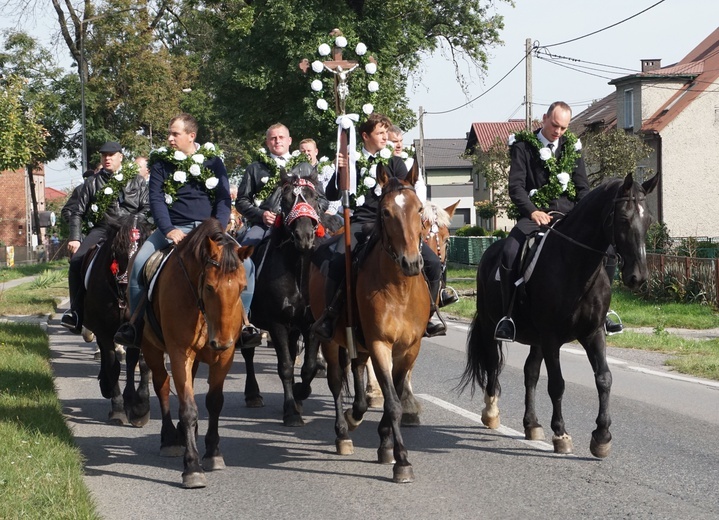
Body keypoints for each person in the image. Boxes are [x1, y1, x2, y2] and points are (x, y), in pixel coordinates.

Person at [113, 113, 259, 349]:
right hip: (174, 229)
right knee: (138, 264)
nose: (170, 138)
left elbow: (223, 199)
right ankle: (135, 325)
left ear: (191, 136)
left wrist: (218, 229)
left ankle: (244, 324)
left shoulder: (214, 162)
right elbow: (156, 199)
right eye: (169, 133)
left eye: (175, 133)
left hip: (210, 230)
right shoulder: (161, 163)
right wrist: (169, 230)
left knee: (249, 266)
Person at [312, 113, 448, 340]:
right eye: (380, 133)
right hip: (361, 222)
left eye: (387, 133)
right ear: (365, 136)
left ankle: (430, 314)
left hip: (392, 224)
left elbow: (407, 192)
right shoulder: (352, 159)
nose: (386, 137)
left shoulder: (394, 162)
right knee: (336, 261)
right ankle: (330, 315)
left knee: (433, 263)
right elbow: (332, 194)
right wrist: (340, 170)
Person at [494, 101, 622, 341]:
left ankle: (603, 311)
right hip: (535, 216)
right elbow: (516, 187)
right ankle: (508, 316)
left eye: (563, 128)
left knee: (609, 250)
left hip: (568, 216)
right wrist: (532, 211)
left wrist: (586, 214)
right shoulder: (523, 146)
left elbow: (583, 187)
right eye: (555, 125)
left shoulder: (572, 148)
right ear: (544, 119)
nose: (558, 132)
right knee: (510, 251)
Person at [60, 141, 149, 333]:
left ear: (120, 157)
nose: (107, 158)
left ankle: (153, 312)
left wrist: (133, 221)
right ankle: (76, 312)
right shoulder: (91, 182)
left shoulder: (138, 181)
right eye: (104, 155)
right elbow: (77, 212)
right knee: (76, 262)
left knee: (155, 261)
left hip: (132, 230)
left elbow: (148, 208)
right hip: (102, 230)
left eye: (111, 155)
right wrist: (75, 238)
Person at [387, 125, 456, 309]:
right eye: (394, 141)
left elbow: (420, 192)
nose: (399, 145)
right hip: (390, 218)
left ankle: (433, 304)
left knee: (435, 257)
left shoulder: (410, 164)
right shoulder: (381, 163)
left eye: (401, 141)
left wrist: (421, 211)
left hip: (414, 215)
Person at [235, 123, 295, 246]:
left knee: (326, 251)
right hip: (264, 227)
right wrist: (261, 215)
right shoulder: (254, 168)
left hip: (299, 225)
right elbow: (241, 201)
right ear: (267, 142)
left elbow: (321, 200)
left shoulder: (303, 166)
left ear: (289, 141)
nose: (277, 141)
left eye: (281, 137)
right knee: (244, 255)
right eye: (273, 138)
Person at [299, 137, 342, 217]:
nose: (306, 153)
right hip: (302, 213)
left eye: (309, 151)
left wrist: (330, 212)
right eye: (303, 151)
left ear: (316, 152)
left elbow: (335, 194)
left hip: (325, 211)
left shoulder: (326, 170)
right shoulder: (296, 172)